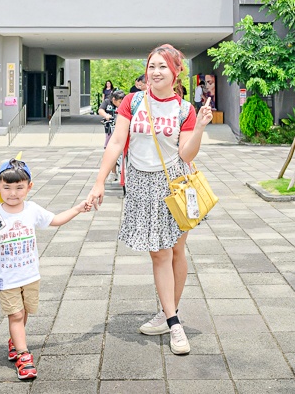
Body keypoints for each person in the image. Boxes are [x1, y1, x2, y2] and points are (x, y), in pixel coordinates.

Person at [86, 44, 214, 356]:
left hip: (175, 184)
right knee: (159, 254)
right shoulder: (133, 101)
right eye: (151, 66)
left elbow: (186, 154)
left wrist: (198, 128)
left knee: (177, 251)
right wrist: (100, 180)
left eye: (162, 67)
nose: (155, 72)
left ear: (175, 72)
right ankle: (174, 322)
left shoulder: (184, 109)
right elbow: (117, 141)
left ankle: (167, 314)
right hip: (142, 184)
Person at [0, 158, 92, 380]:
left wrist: (78, 208)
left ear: (29, 187)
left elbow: (56, 220)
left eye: (19, 188)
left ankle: (15, 340)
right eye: (7, 188)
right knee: (16, 314)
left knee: (26, 311)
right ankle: (23, 355)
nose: (13, 193)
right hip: (8, 277)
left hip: (30, 275)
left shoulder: (32, 209)